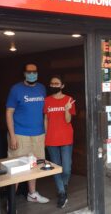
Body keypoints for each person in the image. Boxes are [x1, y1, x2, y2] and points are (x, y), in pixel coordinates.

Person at [6, 63, 49, 204]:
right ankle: (10, 202)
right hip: (20, 134)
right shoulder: (16, 89)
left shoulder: (42, 88)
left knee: (35, 165)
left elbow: (45, 113)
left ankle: (32, 194)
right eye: (29, 72)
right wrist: (12, 136)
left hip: (38, 134)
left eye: (34, 71)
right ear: (24, 73)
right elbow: (9, 112)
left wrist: (47, 133)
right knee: (17, 168)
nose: (32, 74)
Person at [44, 75, 76, 208]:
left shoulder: (69, 99)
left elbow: (68, 120)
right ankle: (62, 193)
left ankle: (64, 184)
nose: (54, 85)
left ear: (62, 85)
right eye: (52, 83)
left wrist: (67, 108)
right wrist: (46, 136)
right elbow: (46, 119)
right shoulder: (46, 100)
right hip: (51, 139)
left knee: (67, 169)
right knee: (56, 168)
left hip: (66, 138)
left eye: (57, 83)